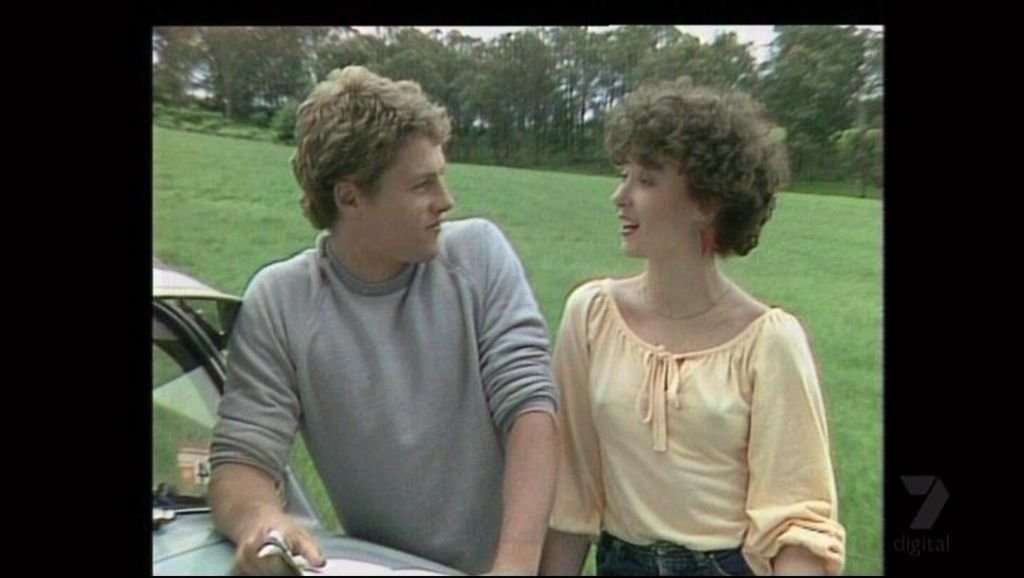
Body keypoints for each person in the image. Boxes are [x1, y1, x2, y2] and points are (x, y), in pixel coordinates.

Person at [209, 66, 559, 576]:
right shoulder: (282, 302)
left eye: (441, 175)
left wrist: (515, 566)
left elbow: (531, 408)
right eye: (421, 184)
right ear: (350, 197)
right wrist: (262, 521)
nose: (446, 200)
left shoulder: (479, 255)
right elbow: (242, 459)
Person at [539, 78, 845, 576]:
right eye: (623, 175)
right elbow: (571, 492)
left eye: (646, 179)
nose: (620, 196)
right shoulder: (590, 315)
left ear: (707, 201)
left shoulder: (769, 342)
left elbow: (798, 520)